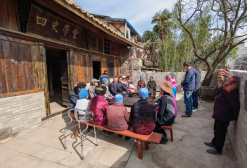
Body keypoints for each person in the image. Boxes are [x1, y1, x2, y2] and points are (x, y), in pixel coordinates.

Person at [204, 69, 240, 155]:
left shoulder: (230, 88)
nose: (218, 79)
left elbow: (233, 103)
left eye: (220, 77)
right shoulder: (225, 85)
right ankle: (214, 142)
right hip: (220, 113)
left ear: (226, 77)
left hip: (224, 114)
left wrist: (234, 115)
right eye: (217, 77)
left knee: (220, 132)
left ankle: (218, 149)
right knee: (216, 129)